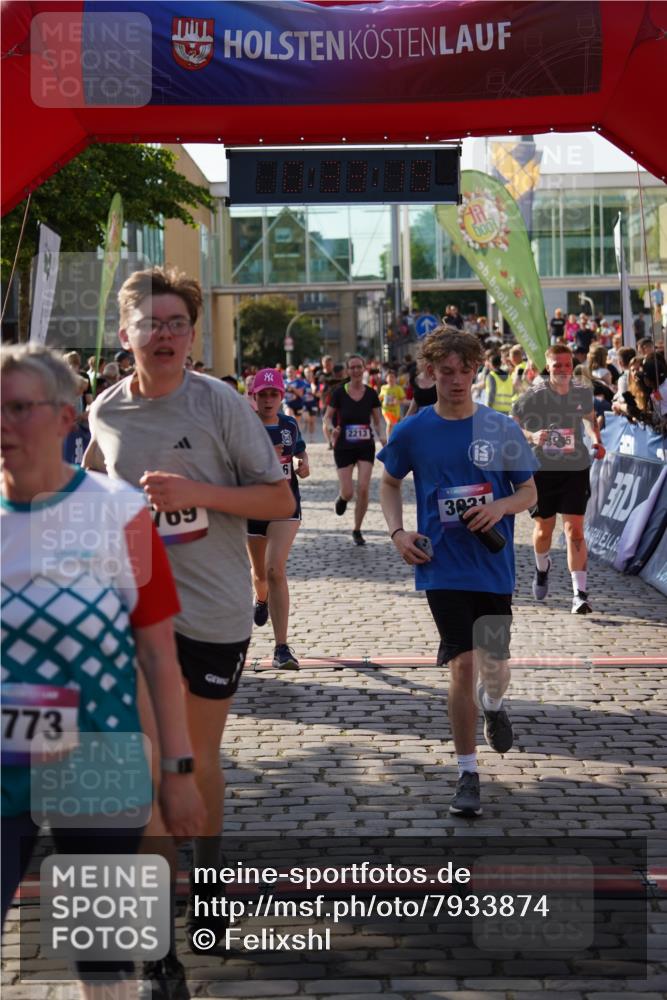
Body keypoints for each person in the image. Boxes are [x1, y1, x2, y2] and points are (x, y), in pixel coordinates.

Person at [83, 266, 294, 988]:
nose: (165, 335)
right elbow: (86, 488)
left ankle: (207, 876)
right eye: (151, 323)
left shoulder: (221, 405)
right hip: (135, 620)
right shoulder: (103, 412)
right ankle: (158, 951)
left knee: (194, 764)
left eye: (177, 323)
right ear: (126, 334)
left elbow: (278, 495)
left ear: (192, 335)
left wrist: (193, 492)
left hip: (213, 612)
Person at [1, 344, 205, 1000]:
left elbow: (157, 653)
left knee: (104, 960)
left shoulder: (120, 511)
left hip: (100, 756)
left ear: (66, 419)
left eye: (17, 409)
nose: (2, 424)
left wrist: (177, 772)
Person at [378, 328, 537, 818]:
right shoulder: (414, 429)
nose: (456, 380)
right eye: (445, 371)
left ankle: (493, 703)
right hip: (440, 567)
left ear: (476, 370)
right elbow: (387, 482)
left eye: (464, 370)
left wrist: (500, 507)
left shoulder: (500, 427)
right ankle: (467, 772)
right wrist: (398, 533)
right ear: (430, 373)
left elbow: (529, 494)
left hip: (492, 566)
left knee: (494, 666)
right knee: (462, 665)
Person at [512, 343, 606, 615]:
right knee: (544, 530)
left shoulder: (582, 391)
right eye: (557, 365)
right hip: (543, 469)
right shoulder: (536, 394)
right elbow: (513, 421)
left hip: (576, 468)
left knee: (574, 530)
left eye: (567, 364)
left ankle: (580, 594)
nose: (563, 370)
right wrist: (532, 435)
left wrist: (597, 440)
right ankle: (542, 569)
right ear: (548, 366)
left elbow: (590, 418)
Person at [247, 369, 309, 671]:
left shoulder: (289, 424)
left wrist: (301, 463)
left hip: (286, 505)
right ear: (254, 397)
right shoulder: (243, 426)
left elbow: (300, 453)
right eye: (263, 395)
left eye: (274, 394)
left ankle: (282, 647)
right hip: (252, 507)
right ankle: (261, 600)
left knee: (275, 570)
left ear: (281, 396)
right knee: (259, 575)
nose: (269, 400)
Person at [325, 354, 386, 546]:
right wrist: (331, 428)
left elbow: (378, 421)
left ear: (364, 368)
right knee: (349, 492)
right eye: (352, 367)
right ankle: (343, 498)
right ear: (347, 370)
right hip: (343, 446)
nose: (356, 371)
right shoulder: (339, 393)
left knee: (364, 488)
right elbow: (327, 417)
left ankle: (357, 529)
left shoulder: (371, 393)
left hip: (365, 445)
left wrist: (383, 437)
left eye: (359, 367)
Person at [378, 368, 405, 438]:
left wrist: (398, 401)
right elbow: (381, 396)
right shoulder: (383, 387)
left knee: (396, 427)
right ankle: (389, 441)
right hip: (386, 410)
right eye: (389, 377)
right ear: (386, 379)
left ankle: (395, 440)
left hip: (396, 411)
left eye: (393, 377)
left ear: (396, 378)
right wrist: (378, 398)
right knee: (389, 424)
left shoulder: (398, 388)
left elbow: (403, 400)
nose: (391, 379)